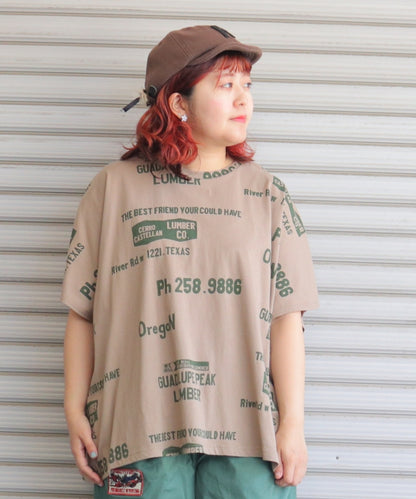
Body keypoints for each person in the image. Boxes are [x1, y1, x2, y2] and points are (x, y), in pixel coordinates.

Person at [62, 25, 319, 499]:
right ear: (179, 103)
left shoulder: (267, 196)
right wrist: (74, 409)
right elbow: (83, 312)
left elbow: (287, 320)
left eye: (247, 85)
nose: (243, 100)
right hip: (138, 428)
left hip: (248, 435)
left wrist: (293, 425)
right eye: (226, 85)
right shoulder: (112, 190)